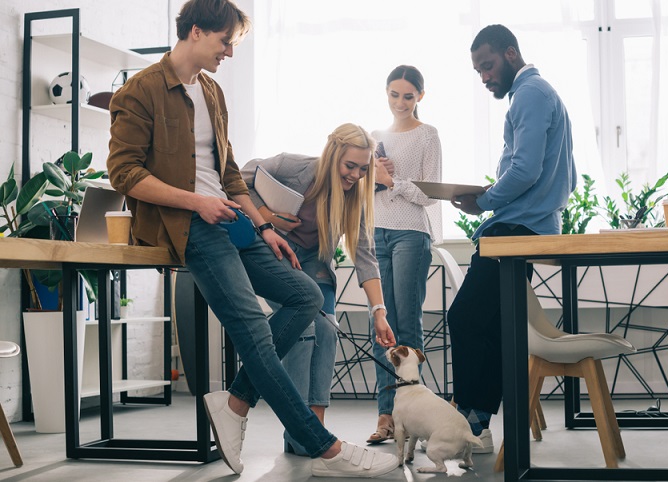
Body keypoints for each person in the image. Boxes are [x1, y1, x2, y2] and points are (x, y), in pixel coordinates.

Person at [106, 0, 398, 477]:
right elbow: (123, 172)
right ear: (197, 32)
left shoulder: (213, 93)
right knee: (256, 336)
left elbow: (230, 176)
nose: (230, 53)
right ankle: (324, 447)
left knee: (305, 296)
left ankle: (236, 402)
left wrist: (262, 226)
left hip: (231, 222)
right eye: (226, 42)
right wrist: (196, 202)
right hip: (189, 224)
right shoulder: (141, 91)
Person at [447, 24, 577, 452]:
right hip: (529, 226)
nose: (484, 77)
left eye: (487, 66)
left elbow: (525, 171)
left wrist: (484, 201)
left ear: (510, 53)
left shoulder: (530, 95)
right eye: (478, 71)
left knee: (465, 318)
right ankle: (479, 421)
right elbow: (567, 178)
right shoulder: (540, 95)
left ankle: (469, 418)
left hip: (514, 230)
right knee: (495, 324)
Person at [239, 123, 395, 456]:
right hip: (275, 252)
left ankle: (313, 432)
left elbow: (365, 257)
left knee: (326, 328)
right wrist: (266, 217)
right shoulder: (293, 166)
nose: (355, 175)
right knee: (304, 327)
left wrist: (379, 312)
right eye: (349, 165)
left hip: (314, 262)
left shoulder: (356, 196)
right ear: (333, 154)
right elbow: (238, 179)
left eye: (363, 169)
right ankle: (302, 429)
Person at [367, 65, 442, 444]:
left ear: (420, 97)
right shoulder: (375, 137)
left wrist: (392, 180)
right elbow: (360, 190)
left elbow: (429, 195)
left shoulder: (428, 135)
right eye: (394, 95)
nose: (400, 103)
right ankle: (386, 415)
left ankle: (413, 417)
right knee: (382, 327)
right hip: (375, 233)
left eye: (408, 96)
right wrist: (372, 177)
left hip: (412, 233)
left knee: (407, 326)